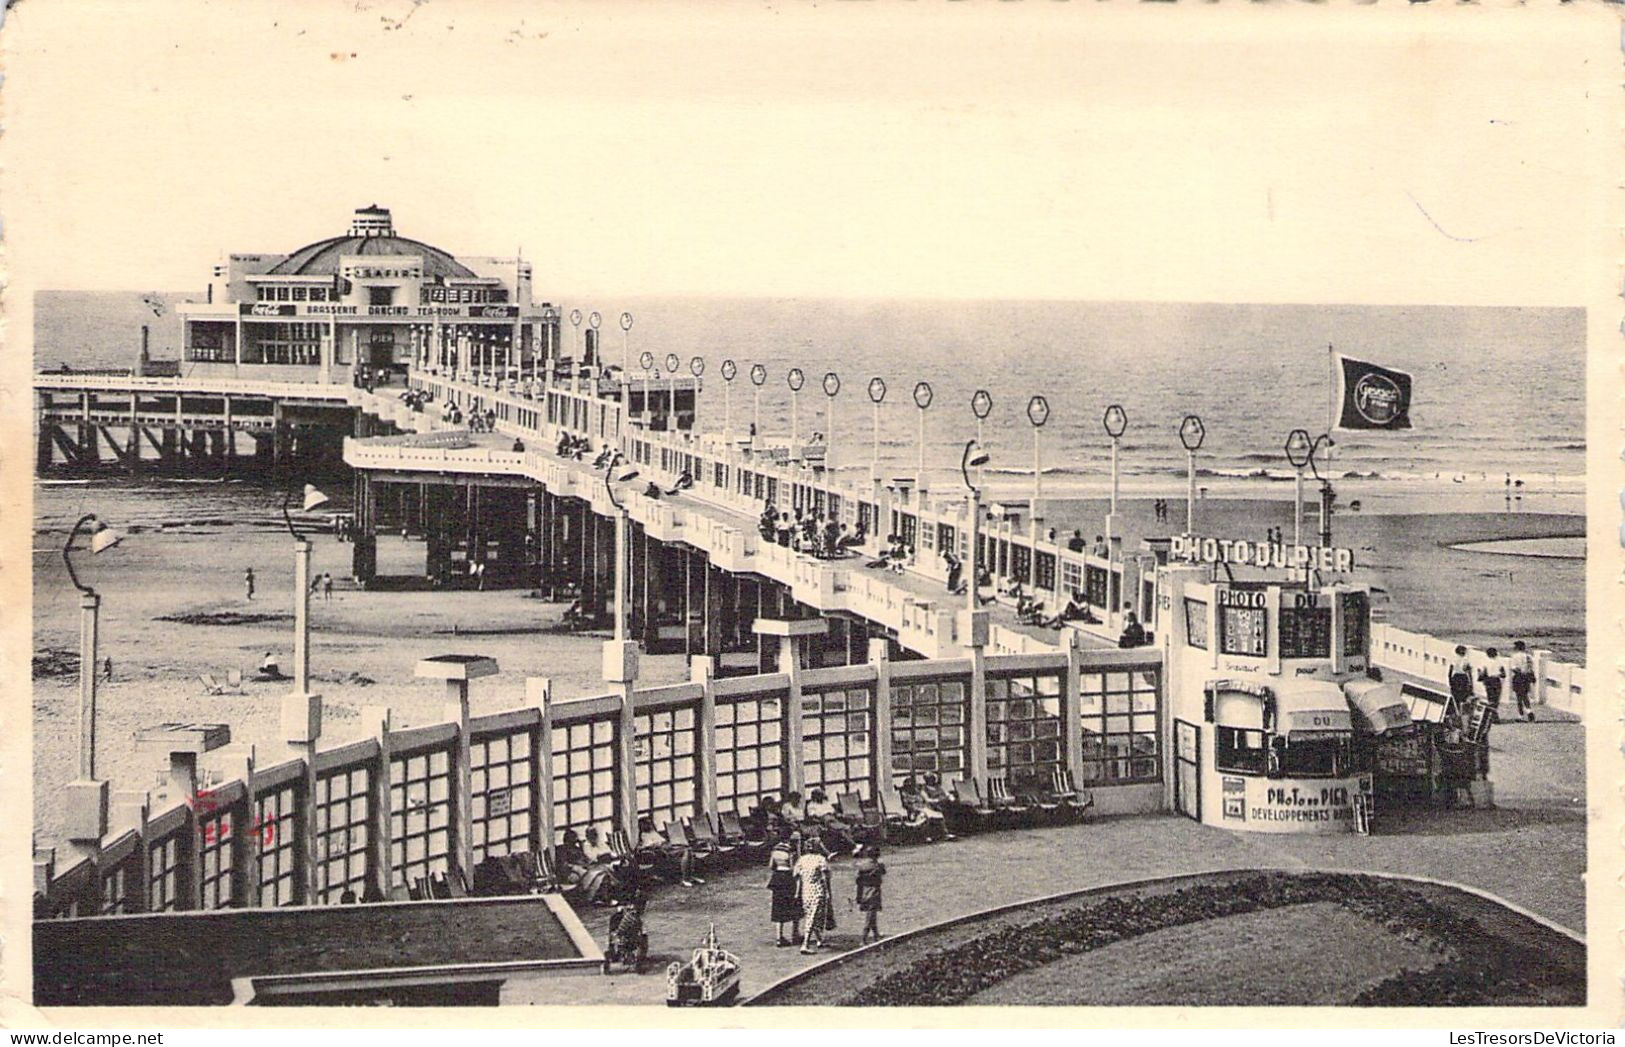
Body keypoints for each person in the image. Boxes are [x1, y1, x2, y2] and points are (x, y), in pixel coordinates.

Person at [793, 838, 833, 954]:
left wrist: (797, 892)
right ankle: (805, 944)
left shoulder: (802, 860)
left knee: (812, 914)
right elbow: (825, 878)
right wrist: (828, 893)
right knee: (814, 916)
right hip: (817, 890)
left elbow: (797, 877)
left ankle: (820, 940)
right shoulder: (820, 859)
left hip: (806, 891)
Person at [638, 816, 701, 887]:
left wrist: (666, 843)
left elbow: (663, 840)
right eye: (646, 824)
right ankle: (685, 879)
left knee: (689, 851)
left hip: (668, 848)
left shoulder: (653, 832)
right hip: (663, 851)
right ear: (642, 826)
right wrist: (659, 844)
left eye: (649, 823)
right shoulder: (644, 835)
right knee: (687, 852)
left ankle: (690, 876)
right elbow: (648, 845)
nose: (649, 825)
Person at [766, 835, 802, 946]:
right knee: (795, 905)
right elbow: (793, 868)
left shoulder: (775, 849)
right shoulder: (790, 850)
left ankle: (779, 937)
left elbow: (771, 865)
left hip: (777, 878)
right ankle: (795, 934)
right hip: (787, 878)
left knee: (778, 907)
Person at [854, 844, 887, 943]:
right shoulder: (879, 866)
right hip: (874, 892)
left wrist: (858, 896)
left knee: (871, 915)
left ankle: (876, 935)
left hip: (863, 892)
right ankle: (863, 938)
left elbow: (858, 881)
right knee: (871, 915)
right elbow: (883, 872)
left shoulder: (861, 866)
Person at [1478, 647, 1507, 724]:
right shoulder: (1499, 662)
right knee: (1496, 699)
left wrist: (1482, 679)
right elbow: (1504, 674)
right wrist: (1498, 674)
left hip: (1488, 681)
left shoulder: (1485, 662)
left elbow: (1482, 673)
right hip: (1496, 681)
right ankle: (1494, 716)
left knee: (1490, 699)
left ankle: (1493, 716)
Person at [1509, 640, 1536, 722]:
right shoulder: (1528, 657)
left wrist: (1518, 673)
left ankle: (1521, 715)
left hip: (1518, 677)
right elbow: (1531, 668)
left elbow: (1514, 668)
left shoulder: (1515, 656)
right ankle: (1529, 710)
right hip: (1526, 677)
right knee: (1525, 695)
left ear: (1517, 648)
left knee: (1519, 697)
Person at [1448, 645, 1475, 718]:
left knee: (1456, 696)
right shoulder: (1465, 660)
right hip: (1463, 678)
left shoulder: (1453, 660)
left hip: (1455, 677)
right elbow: (1468, 672)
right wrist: (1471, 683)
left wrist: (1450, 682)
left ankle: (1458, 713)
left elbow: (1449, 672)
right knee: (1464, 696)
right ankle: (1463, 713)